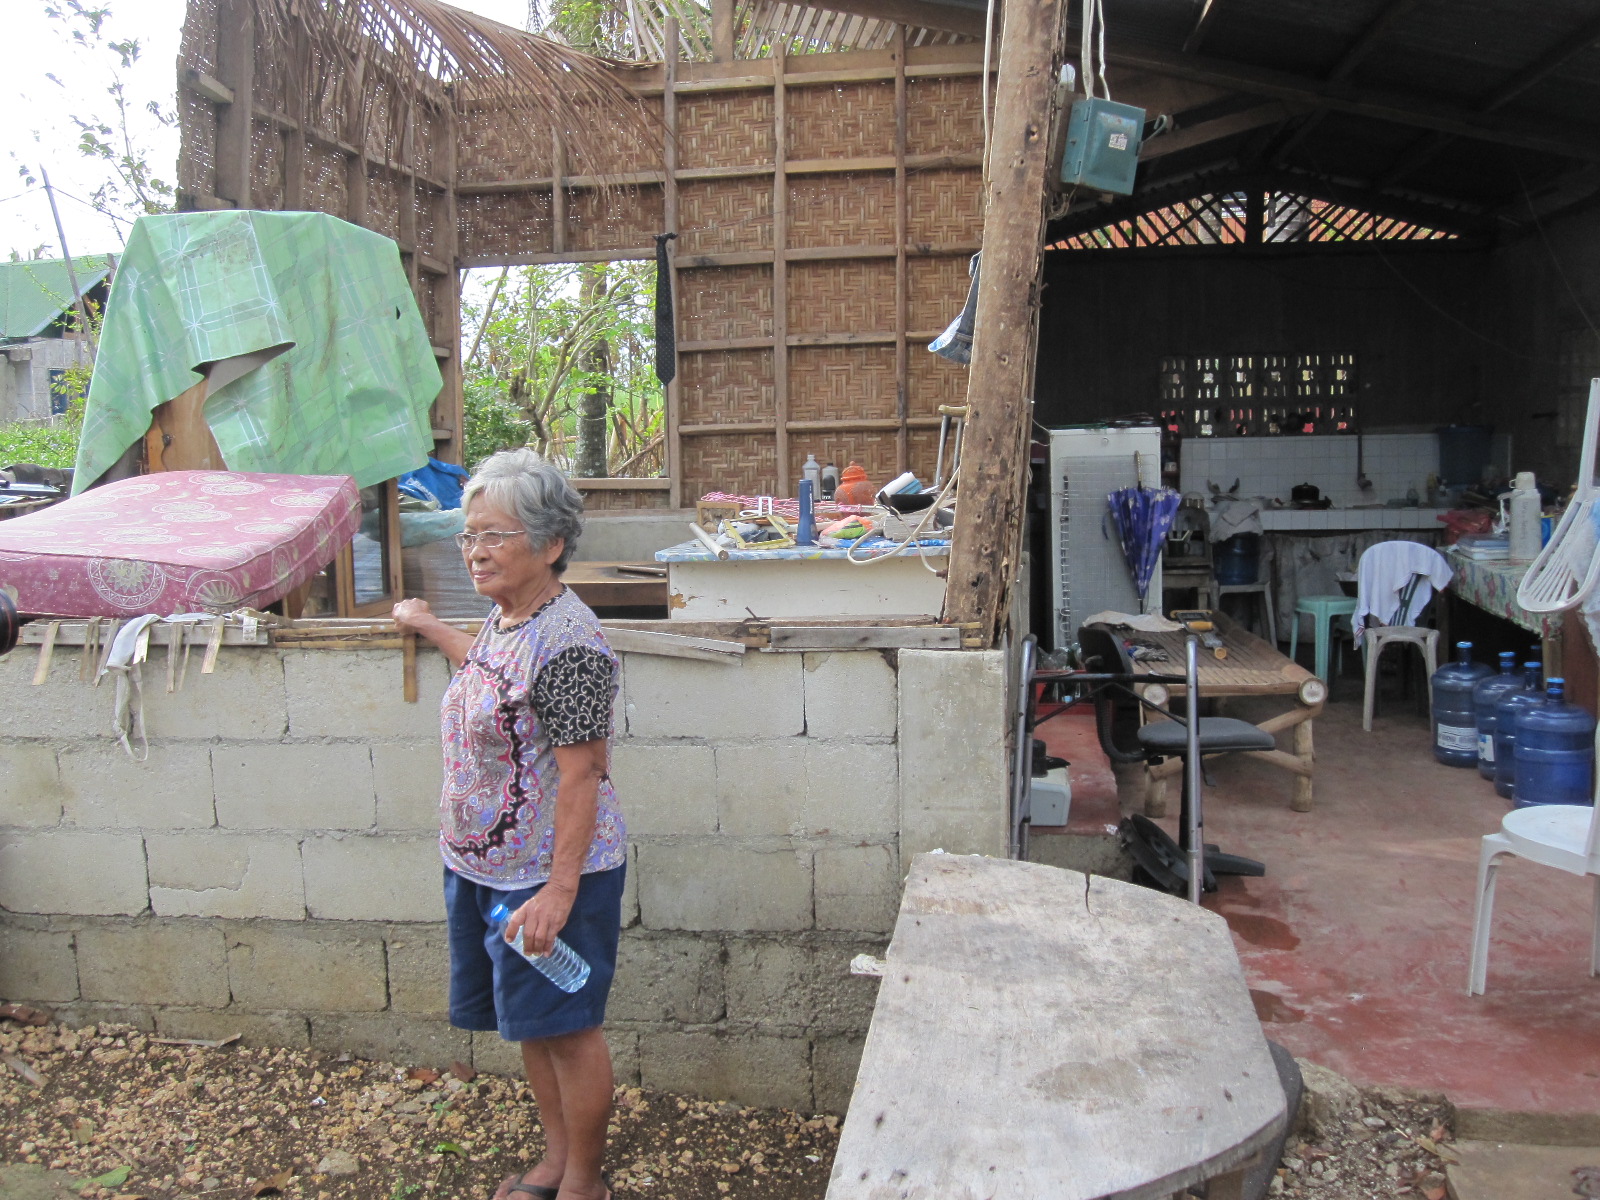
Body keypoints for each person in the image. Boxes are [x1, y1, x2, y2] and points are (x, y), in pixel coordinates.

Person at [393, 448, 624, 1200]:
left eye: (494, 535)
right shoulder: (506, 619)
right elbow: (492, 676)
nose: (475, 551)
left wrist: (559, 893)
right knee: (531, 1024)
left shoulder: (571, 643)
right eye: (469, 535)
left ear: (550, 543)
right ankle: (555, 1162)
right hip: (486, 868)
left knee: (567, 1027)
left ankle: (583, 1183)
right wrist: (429, 625)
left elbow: (581, 773)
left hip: (549, 875)